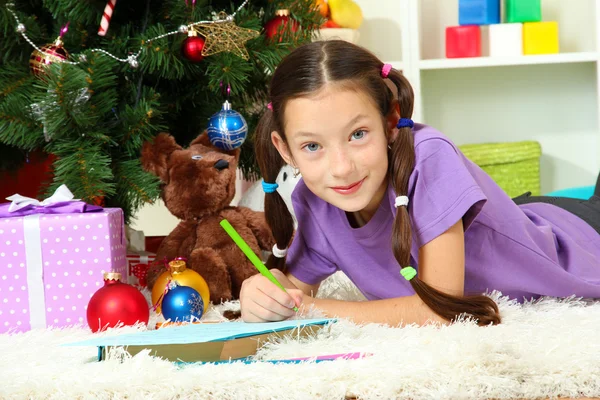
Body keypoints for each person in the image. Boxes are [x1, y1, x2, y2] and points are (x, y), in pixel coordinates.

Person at [240, 40, 600, 327]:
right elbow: (291, 295)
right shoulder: (316, 201)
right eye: (312, 146)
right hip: (522, 213)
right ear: (285, 150)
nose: (341, 168)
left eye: (358, 134)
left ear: (391, 120)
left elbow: (440, 310)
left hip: (580, 233)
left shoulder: (428, 158)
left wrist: (312, 309)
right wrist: (263, 295)